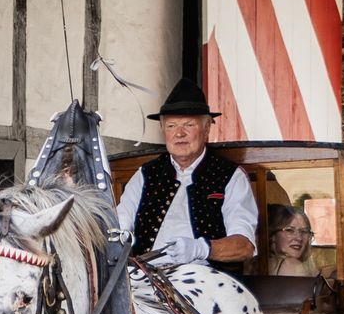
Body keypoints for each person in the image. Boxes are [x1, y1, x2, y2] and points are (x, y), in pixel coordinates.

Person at [115, 78, 258, 274]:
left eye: (188, 125)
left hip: (208, 280)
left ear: (207, 128)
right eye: (171, 126)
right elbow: (121, 219)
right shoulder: (145, 174)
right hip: (145, 277)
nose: (179, 134)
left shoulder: (230, 176)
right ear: (163, 130)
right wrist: (119, 231)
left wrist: (201, 249)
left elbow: (244, 247)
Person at [264, 203, 317, 277]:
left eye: (303, 231)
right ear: (272, 236)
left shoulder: (258, 265)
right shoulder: (291, 265)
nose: (299, 238)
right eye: (289, 230)